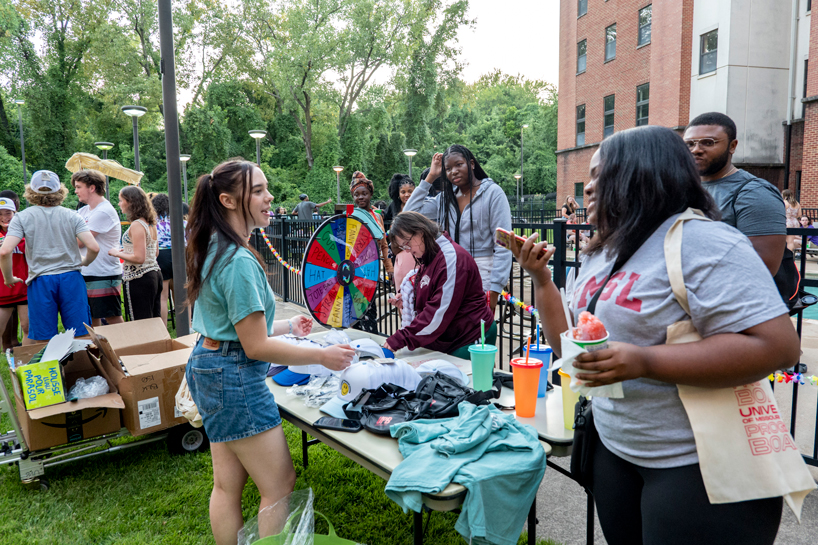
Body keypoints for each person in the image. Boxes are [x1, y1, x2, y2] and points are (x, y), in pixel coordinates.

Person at [510, 126, 798, 545]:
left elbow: (779, 346)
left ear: (640, 175)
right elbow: (567, 347)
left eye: (598, 175)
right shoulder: (600, 250)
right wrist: (539, 278)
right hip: (615, 450)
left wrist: (646, 361)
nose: (587, 189)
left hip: (697, 468)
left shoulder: (706, 242)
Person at [184, 159, 354, 545]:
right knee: (279, 484)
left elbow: (237, 327)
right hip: (233, 376)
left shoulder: (215, 244)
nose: (269, 197)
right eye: (258, 190)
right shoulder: (239, 260)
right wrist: (322, 356)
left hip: (210, 364)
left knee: (227, 486)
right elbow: (255, 345)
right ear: (228, 200)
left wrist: (289, 327)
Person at [404, 145, 511, 312]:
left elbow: (504, 245)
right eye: (448, 168)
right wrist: (430, 177)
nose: (453, 171)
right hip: (451, 271)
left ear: (472, 164)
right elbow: (408, 213)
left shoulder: (493, 194)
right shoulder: (445, 198)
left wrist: (495, 288)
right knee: (455, 330)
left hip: (483, 273)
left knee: (478, 329)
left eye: (458, 164)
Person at [0, 171, 98, 343]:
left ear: (31, 191)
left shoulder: (22, 217)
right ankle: (82, 369)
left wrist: (8, 278)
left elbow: (5, 251)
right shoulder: (72, 215)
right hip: (71, 278)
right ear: (60, 190)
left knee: (43, 337)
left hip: (41, 279)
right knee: (81, 334)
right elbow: (94, 247)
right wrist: (83, 262)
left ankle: (47, 369)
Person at [684, 112, 786, 276]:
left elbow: (762, 267)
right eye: (689, 144)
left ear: (732, 146)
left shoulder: (754, 193)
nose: (696, 150)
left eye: (708, 143)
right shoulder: (683, 187)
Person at [383, 212, 495, 358]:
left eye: (407, 243)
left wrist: (400, 339)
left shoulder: (450, 258)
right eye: (403, 247)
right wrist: (409, 300)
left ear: (420, 231)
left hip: (468, 337)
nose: (408, 250)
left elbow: (437, 313)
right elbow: (433, 293)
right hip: (450, 337)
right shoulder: (431, 254)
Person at [73, 170, 124, 327]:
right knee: (91, 318)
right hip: (88, 271)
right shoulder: (84, 210)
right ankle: (100, 351)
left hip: (103, 273)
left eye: (79, 187)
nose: (75, 191)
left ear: (92, 188)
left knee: (112, 317)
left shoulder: (104, 211)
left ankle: (127, 347)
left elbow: (79, 242)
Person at [110, 186, 163, 321]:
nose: (119, 203)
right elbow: (154, 252)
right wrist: (127, 251)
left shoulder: (137, 225)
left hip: (140, 277)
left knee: (140, 322)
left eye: (121, 200)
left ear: (130, 202)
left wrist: (117, 253)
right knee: (153, 321)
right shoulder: (151, 223)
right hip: (154, 273)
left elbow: (139, 258)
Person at [350, 171, 394, 332]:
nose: (360, 197)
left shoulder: (377, 217)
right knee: (357, 308)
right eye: (356, 195)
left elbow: (383, 245)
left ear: (370, 195)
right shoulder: (351, 216)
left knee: (370, 307)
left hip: (373, 269)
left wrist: (389, 268)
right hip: (355, 271)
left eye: (364, 193)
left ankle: (370, 337)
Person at [151, 193, 187, 326]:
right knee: (182, 294)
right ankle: (186, 327)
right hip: (180, 254)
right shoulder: (182, 222)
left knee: (162, 296)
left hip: (161, 255)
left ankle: (163, 328)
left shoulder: (152, 224)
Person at [0, 196, 28, 349]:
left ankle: (25, 365)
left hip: (23, 288)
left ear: (15, 213)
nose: (4, 218)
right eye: (0, 214)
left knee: (27, 328)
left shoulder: (24, 233)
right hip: (3, 290)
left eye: (8, 213)